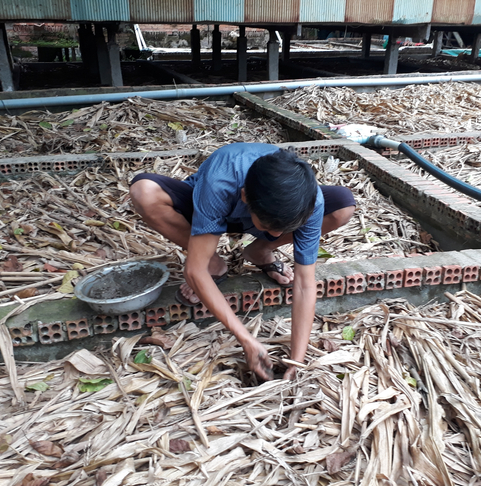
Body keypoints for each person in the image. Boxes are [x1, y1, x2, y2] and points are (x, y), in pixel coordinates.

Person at [130, 143, 355, 381]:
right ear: (245, 196)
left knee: (343, 204)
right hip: (210, 208)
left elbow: (304, 284)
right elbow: (195, 271)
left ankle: (260, 250)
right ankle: (213, 262)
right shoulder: (220, 180)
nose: (279, 236)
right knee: (144, 191)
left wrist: (296, 360)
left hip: (263, 210)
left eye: (284, 231)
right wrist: (246, 338)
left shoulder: (311, 202)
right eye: (270, 229)